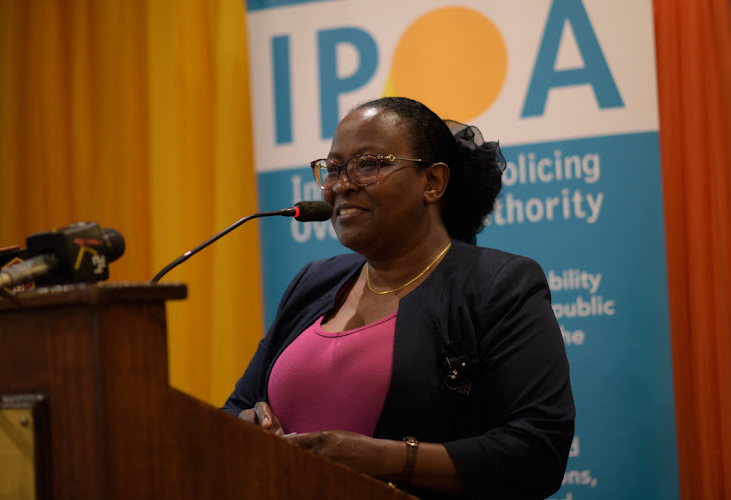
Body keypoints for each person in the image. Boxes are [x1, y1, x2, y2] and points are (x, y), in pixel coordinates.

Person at [222, 96, 575, 499]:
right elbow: (234, 408)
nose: (342, 185)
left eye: (369, 164)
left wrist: (381, 458)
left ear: (433, 182)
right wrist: (248, 423)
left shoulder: (498, 284)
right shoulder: (313, 282)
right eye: (333, 168)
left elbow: (538, 451)